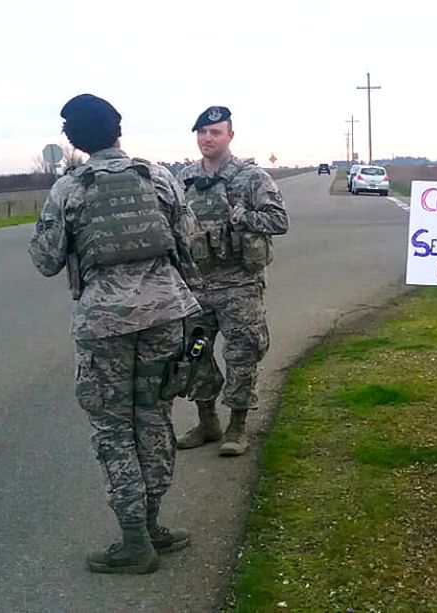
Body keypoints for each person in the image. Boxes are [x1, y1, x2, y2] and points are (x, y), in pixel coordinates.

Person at [29, 94, 200, 574]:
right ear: (118, 128)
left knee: (113, 427)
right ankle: (152, 526)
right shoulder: (159, 176)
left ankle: (133, 542)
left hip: (104, 325)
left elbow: (45, 260)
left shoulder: (69, 188)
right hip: (165, 314)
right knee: (154, 417)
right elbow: (187, 245)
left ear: (74, 141)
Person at [175, 106, 289, 456]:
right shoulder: (184, 178)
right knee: (193, 353)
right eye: (202, 133)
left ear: (230, 136)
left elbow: (279, 221)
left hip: (239, 284)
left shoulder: (251, 177)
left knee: (242, 354)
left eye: (215, 132)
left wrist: (242, 217)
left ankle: (237, 427)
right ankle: (207, 420)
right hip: (195, 285)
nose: (207, 139)